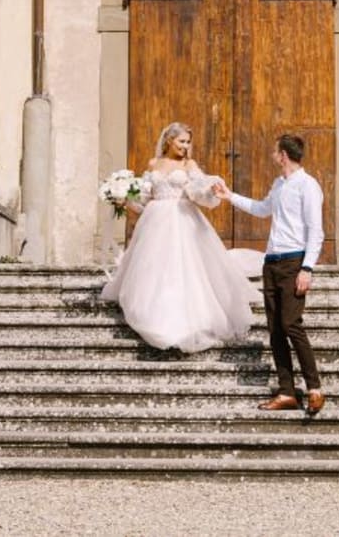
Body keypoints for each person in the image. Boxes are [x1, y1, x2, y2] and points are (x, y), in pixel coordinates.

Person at [99, 122, 256, 353]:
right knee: (154, 269)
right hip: (154, 220)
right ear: (169, 141)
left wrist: (209, 189)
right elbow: (144, 200)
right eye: (182, 141)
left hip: (183, 220)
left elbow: (199, 189)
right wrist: (122, 197)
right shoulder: (154, 164)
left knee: (181, 268)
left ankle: (184, 321)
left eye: (188, 142)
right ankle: (153, 314)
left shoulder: (189, 164)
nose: (185, 146)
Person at [213, 133, 325, 415]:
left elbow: (316, 231)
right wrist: (230, 197)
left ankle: (314, 388)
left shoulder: (308, 186)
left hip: (293, 262)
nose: (273, 155)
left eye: (276, 152)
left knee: (291, 324)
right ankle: (287, 392)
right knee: (275, 330)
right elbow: (262, 209)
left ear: (283, 155)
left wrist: (307, 268)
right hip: (272, 262)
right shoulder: (279, 184)